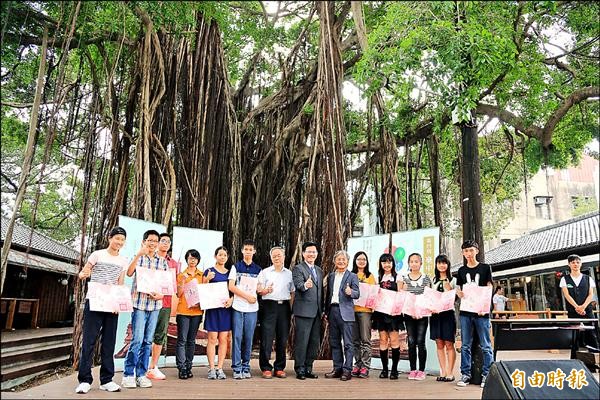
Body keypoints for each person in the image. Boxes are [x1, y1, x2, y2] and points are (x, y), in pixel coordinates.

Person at [75, 227, 128, 394]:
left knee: (109, 342)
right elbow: (86, 270)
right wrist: (84, 273)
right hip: (95, 301)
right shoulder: (97, 254)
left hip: (111, 303)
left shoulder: (123, 260)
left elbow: (120, 283)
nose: (119, 242)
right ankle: (84, 379)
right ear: (109, 238)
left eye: (122, 239)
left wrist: (118, 304)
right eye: (117, 238)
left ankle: (107, 380)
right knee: (89, 340)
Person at [122, 229, 169, 389]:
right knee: (137, 340)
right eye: (150, 240)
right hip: (139, 304)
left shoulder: (162, 261)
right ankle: (128, 374)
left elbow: (165, 286)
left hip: (155, 306)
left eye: (156, 241)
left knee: (148, 341)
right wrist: (138, 254)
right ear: (144, 241)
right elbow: (129, 273)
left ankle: (141, 374)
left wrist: (161, 295)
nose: (153, 243)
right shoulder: (139, 258)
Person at [455, 240, 494, 388]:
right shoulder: (461, 271)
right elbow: (459, 289)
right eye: (466, 251)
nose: (468, 254)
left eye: (471, 250)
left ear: (477, 251)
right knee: (465, 344)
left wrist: (485, 307)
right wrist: (459, 293)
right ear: (463, 253)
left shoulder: (485, 268)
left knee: (485, 345)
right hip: (465, 311)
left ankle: (487, 374)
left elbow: (489, 287)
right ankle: (465, 374)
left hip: (481, 312)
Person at [257, 246, 294, 379]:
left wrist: (292, 309)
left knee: (282, 338)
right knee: (266, 337)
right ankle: (266, 367)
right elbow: (259, 290)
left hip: (284, 307)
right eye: (274, 256)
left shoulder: (289, 273)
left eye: (279, 255)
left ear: (284, 257)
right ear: (271, 258)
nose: (277, 258)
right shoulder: (265, 272)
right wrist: (265, 290)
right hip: (269, 306)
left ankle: (279, 367)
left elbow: (292, 292)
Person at [324, 250, 360, 381]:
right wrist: (326, 311)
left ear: (347, 262)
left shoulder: (352, 276)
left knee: (348, 344)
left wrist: (351, 291)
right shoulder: (331, 276)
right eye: (338, 259)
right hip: (332, 311)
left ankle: (347, 370)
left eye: (343, 260)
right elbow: (328, 295)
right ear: (335, 261)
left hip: (346, 312)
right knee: (334, 342)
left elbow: (357, 293)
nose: (341, 261)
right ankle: (337, 368)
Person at [228, 239, 262, 379]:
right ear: (242, 251)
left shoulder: (258, 269)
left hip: (252, 309)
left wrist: (265, 290)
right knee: (237, 336)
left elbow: (259, 288)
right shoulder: (236, 267)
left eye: (250, 249)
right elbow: (231, 286)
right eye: (246, 249)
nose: (248, 252)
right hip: (238, 307)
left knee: (249, 337)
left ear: (254, 251)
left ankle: (246, 366)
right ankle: (236, 367)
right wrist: (246, 296)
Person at [147, 232, 178, 380]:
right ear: (158, 243)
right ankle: (142, 365)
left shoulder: (173, 264)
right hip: (148, 302)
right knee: (145, 334)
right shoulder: (149, 259)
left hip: (165, 303)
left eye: (168, 242)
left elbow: (173, 285)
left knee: (160, 334)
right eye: (163, 241)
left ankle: (153, 366)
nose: (165, 243)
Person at [292, 241, 324, 380]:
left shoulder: (319, 270)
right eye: (309, 252)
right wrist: (305, 285)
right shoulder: (298, 268)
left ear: (317, 254)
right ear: (303, 253)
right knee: (302, 341)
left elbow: (321, 292)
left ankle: (309, 367)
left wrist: (322, 310)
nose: (311, 254)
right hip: (303, 311)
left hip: (317, 312)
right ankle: (300, 369)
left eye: (314, 252)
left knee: (314, 341)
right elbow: (298, 284)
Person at [399, 253, 432, 381]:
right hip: (408, 315)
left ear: (421, 263)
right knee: (411, 342)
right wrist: (403, 290)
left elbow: (428, 296)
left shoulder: (426, 278)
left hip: (422, 315)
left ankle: (422, 370)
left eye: (416, 261)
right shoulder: (404, 278)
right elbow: (401, 296)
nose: (414, 264)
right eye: (411, 261)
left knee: (420, 341)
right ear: (408, 263)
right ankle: (413, 369)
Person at [371, 253, 403, 380]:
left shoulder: (398, 276)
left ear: (393, 264)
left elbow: (400, 294)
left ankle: (394, 370)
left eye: (389, 262)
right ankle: (384, 369)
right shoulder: (378, 277)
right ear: (381, 264)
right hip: (380, 313)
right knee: (383, 340)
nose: (387, 264)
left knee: (394, 340)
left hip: (393, 313)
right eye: (384, 262)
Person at [203, 246, 234, 380]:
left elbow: (233, 291)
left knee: (223, 339)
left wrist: (231, 300)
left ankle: (220, 367)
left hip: (225, 310)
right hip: (212, 310)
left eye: (224, 255)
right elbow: (202, 290)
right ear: (215, 256)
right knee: (212, 339)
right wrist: (207, 279)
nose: (222, 257)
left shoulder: (230, 273)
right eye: (220, 255)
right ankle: (211, 368)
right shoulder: (209, 271)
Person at [560, 254, 600, 356]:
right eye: (573, 262)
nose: (575, 264)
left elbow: (591, 294)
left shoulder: (588, 278)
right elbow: (567, 295)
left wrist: (583, 306)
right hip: (573, 311)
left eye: (578, 262)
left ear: (581, 264)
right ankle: (575, 359)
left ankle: (595, 358)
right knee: (574, 336)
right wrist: (577, 307)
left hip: (587, 310)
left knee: (592, 333)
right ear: (569, 264)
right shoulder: (565, 279)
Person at [175, 249, 204, 379]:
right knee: (182, 340)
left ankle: (188, 366)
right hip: (183, 311)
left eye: (195, 258)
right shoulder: (181, 275)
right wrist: (182, 282)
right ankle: (181, 368)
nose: (192, 260)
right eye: (190, 258)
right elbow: (178, 294)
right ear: (186, 259)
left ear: (198, 260)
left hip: (197, 312)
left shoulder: (202, 275)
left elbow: (205, 293)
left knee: (191, 340)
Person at [429, 254, 457, 383]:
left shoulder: (454, 280)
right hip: (435, 315)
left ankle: (450, 373)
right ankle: (443, 371)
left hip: (448, 314)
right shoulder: (433, 280)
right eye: (439, 263)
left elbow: (456, 298)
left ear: (448, 265)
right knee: (439, 343)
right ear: (436, 265)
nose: (442, 265)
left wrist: (449, 290)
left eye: (444, 263)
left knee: (449, 343)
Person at [351, 251, 376, 378]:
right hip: (352, 310)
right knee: (355, 340)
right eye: (359, 259)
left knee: (365, 339)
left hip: (365, 311)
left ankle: (365, 366)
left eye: (364, 259)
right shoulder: (350, 275)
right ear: (355, 261)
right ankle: (357, 364)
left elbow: (374, 293)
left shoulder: (370, 276)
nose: (361, 261)